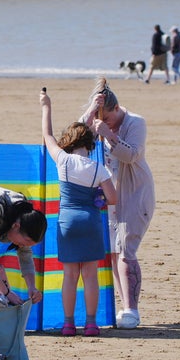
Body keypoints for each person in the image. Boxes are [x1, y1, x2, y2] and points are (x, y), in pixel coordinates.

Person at [39, 89, 117, 336]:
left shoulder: (63, 161)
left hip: (67, 221)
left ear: (69, 142)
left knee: (70, 276)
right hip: (90, 221)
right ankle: (91, 323)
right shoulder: (98, 169)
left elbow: (47, 134)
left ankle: (68, 324)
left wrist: (46, 106)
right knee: (90, 276)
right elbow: (113, 198)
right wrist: (98, 199)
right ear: (89, 144)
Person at [81, 77, 155, 329]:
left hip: (134, 194)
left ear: (116, 108)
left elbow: (131, 155)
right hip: (108, 197)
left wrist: (108, 134)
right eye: (100, 118)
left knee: (126, 251)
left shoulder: (136, 122)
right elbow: (75, 138)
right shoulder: (96, 120)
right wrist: (91, 112)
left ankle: (132, 310)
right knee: (113, 253)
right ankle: (124, 307)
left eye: (108, 118)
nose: (104, 122)